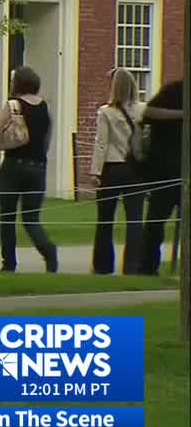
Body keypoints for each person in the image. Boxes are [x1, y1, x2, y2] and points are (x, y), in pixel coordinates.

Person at [0, 66, 58, 273]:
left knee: (7, 217)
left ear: (17, 84)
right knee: (31, 218)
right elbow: (46, 140)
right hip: (38, 167)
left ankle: (9, 263)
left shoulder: (13, 105)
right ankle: (48, 250)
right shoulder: (45, 107)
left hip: (13, 166)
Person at [89, 68, 146, 274]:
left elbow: (102, 143)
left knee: (105, 219)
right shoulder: (143, 110)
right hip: (135, 169)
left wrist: (95, 171)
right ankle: (133, 265)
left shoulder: (106, 112)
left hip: (112, 168)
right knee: (135, 219)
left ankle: (103, 265)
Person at [137, 78, 184, 275]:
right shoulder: (174, 90)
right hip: (165, 171)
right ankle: (147, 268)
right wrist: (182, 114)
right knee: (155, 222)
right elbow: (149, 112)